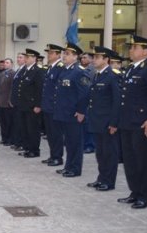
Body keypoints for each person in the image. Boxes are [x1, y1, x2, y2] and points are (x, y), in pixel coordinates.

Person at [117, 35, 147, 209]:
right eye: (131, 48)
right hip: (127, 121)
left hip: (141, 123)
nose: (130, 50)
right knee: (129, 160)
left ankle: (144, 197)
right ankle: (135, 192)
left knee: (142, 161)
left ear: (146, 51)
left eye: (135, 47)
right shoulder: (130, 68)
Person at [86, 46, 121, 191]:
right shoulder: (97, 75)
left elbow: (117, 101)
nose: (94, 60)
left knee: (109, 153)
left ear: (106, 59)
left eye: (97, 57)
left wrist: (114, 123)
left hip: (107, 122)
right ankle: (101, 178)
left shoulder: (113, 75)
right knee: (100, 152)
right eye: (94, 57)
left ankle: (109, 181)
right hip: (97, 120)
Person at [53, 43, 91, 177]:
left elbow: (85, 93)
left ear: (76, 56)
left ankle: (75, 168)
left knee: (75, 142)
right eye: (64, 53)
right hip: (64, 113)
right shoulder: (65, 70)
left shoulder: (79, 71)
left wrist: (81, 111)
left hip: (74, 114)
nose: (64, 56)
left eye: (68, 54)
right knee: (69, 142)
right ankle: (68, 166)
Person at [38, 44, 65, 167]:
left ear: (58, 55)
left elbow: (58, 89)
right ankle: (52, 155)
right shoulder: (50, 68)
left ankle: (57, 157)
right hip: (47, 106)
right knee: (50, 133)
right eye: (48, 53)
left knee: (56, 134)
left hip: (54, 106)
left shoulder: (60, 68)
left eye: (51, 53)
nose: (49, 55)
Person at [17, 49, 44, 158]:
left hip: (32, 106)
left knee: (33, 129)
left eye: (28, 57)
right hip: (24, 105)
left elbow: (39, 89)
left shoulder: (38, 71)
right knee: (25, 128)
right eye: (25, 57)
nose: (26, 59)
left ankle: (34, 150)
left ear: (34, 58)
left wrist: (38, 105)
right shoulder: (25, 70)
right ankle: (27, 148)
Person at [9, 53, 27, 151]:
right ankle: (17, 142)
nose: (18, 59)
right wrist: (12, 99)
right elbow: (14, 87)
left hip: (21, 102)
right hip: (16, 101)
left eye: (20, 57)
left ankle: (21, 143)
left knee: (20, 124)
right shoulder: (18, 70)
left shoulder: (25, 70)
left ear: (25, 59)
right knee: (16, 123)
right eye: (17, 57)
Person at [0, 58, 15, 146]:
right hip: (1, 101)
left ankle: (9, 139)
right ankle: (4, 138)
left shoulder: (12, 74)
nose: (5, 64)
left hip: (7, 102)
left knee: (8, 122)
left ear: (11, 64)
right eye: (5, 63)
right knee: (2, 122)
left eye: (7, 63)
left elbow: (12, 88)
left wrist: (10, 100)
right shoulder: (2, 73)